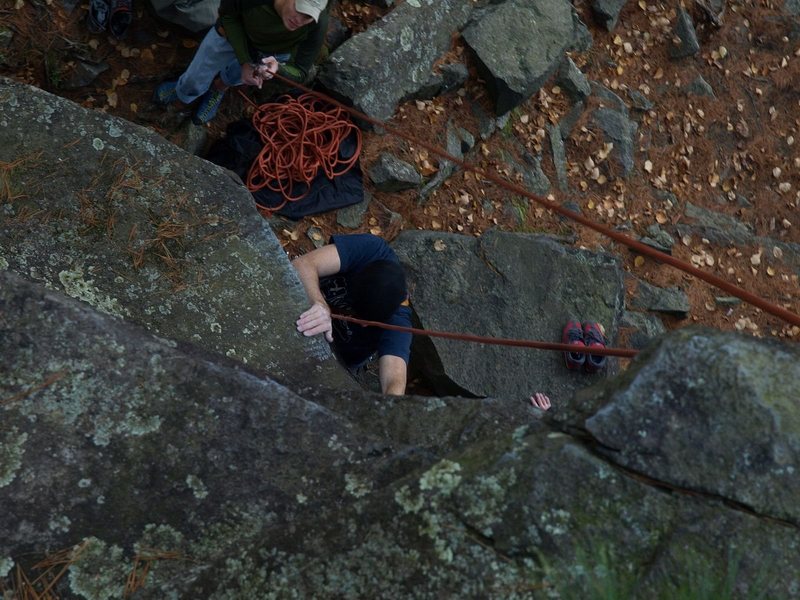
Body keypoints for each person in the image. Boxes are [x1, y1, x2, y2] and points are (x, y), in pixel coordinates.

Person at [153, 0, 329, 124]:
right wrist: (245, 60)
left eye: (307, 17)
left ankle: (218, 88)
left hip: (271, 54)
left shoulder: (317, 23)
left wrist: (277, 70)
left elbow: (300, 71)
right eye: (299, 9)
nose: (299, 20)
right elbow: (228, 14)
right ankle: (184, 94)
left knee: (236, 77)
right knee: (198, 72)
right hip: (232, 33)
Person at [292, 234, 412, 395]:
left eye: (368, 321)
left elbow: (395, 383)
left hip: (341, 360)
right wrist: (319, 303)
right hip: (308, 312)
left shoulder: (398, 323)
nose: (362, 324)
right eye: (358, 315)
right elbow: (303, 264)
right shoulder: (370, 250)